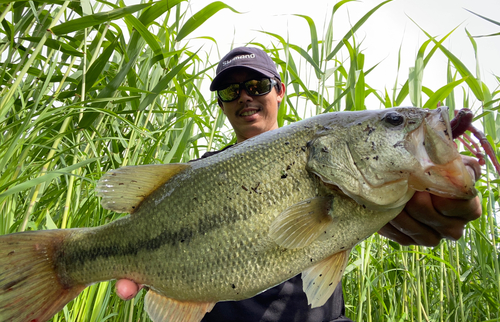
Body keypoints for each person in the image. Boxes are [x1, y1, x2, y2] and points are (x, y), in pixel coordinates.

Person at [115, 47, 482, 321]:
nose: (245, 96)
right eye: (230, 91)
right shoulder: (192, 178)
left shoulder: (337, 168)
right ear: (223, 105)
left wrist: (421, 192)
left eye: (257, 85)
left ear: (280, 91)